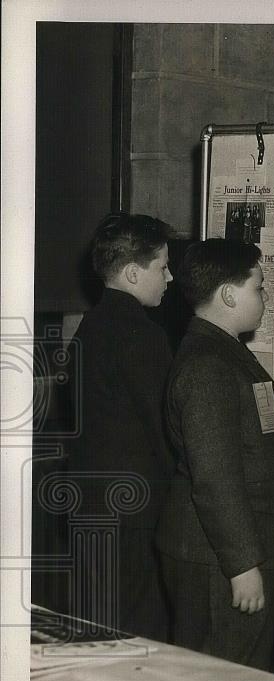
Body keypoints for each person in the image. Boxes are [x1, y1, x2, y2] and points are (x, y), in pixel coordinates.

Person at [156, 239, 274, 669]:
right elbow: (215, 476)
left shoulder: (222, 351)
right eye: (259, 287)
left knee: (224, 672)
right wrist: (242, 566)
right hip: (218, 558)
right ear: (228, 295)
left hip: (221, 549)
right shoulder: (208, 366)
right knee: (224, 678)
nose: (266, 296)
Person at [68, 213, 175, 641]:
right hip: (134, 510)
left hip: (88, 501)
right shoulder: (142, 334)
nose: (170, 276)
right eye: (163, 266)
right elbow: (166, 428)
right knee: (137, 627)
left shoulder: (90, 327)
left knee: (97, 620)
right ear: (133, 272)